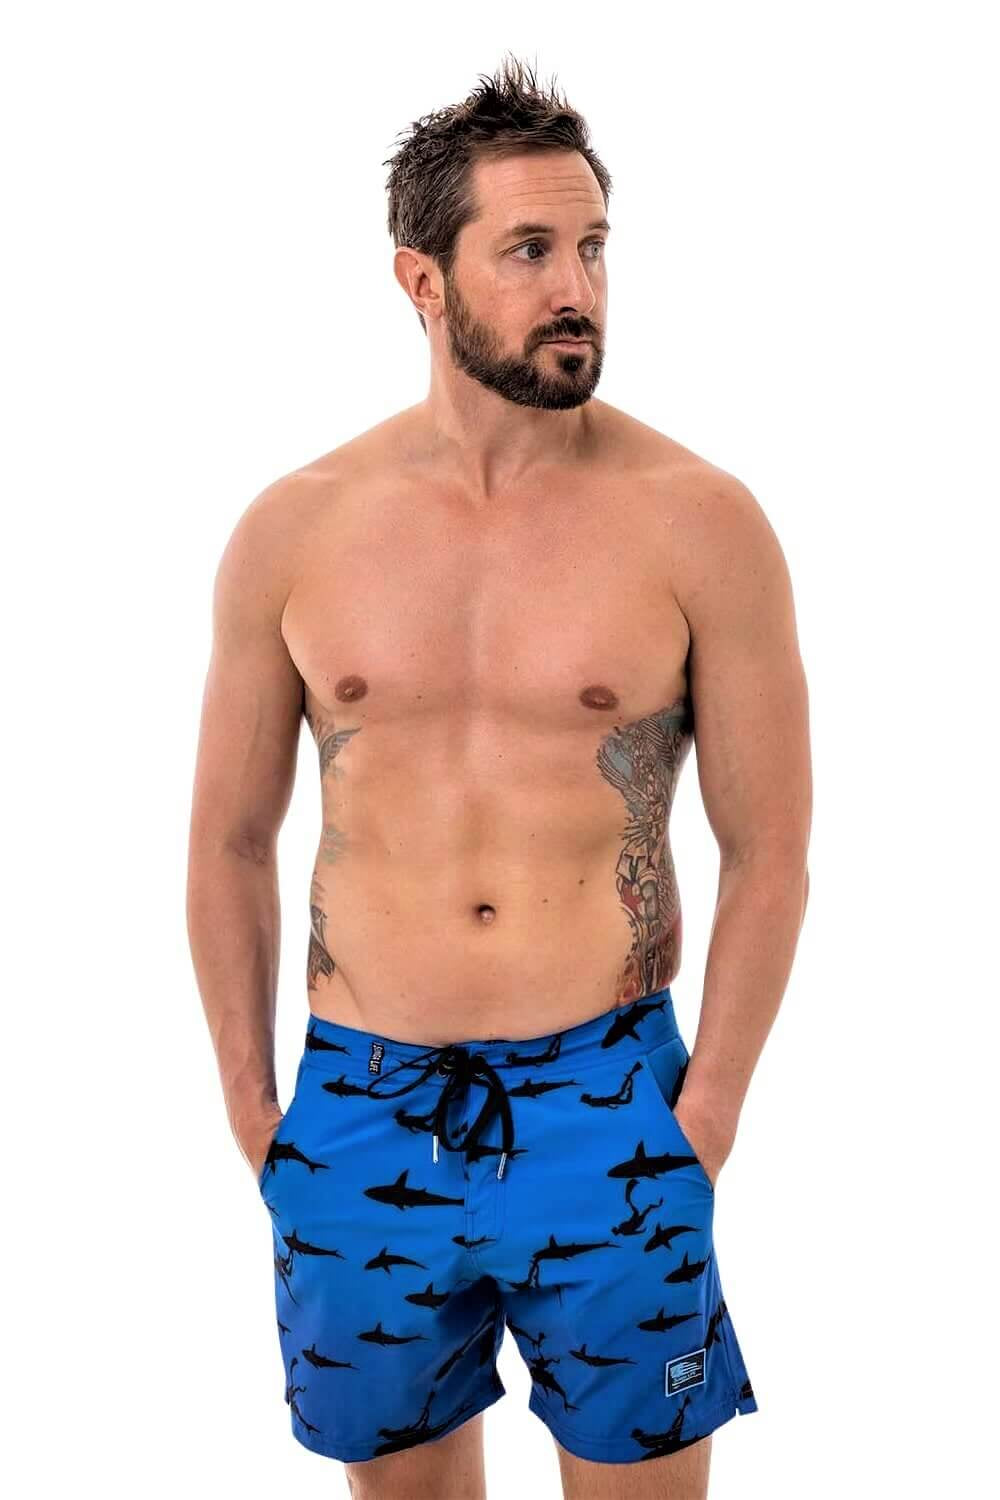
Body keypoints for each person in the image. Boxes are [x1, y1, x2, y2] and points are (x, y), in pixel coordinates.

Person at [186, 54, 812, 1500]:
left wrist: (705, 1118)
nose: (575, 286)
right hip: (359, 1104)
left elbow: (771, 847)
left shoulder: (701, 523)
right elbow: (228, 841)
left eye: (592, 246)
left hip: (610, 1096)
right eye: (528, 250)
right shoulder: (295, 530)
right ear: (422, 280)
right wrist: (254, 1111)